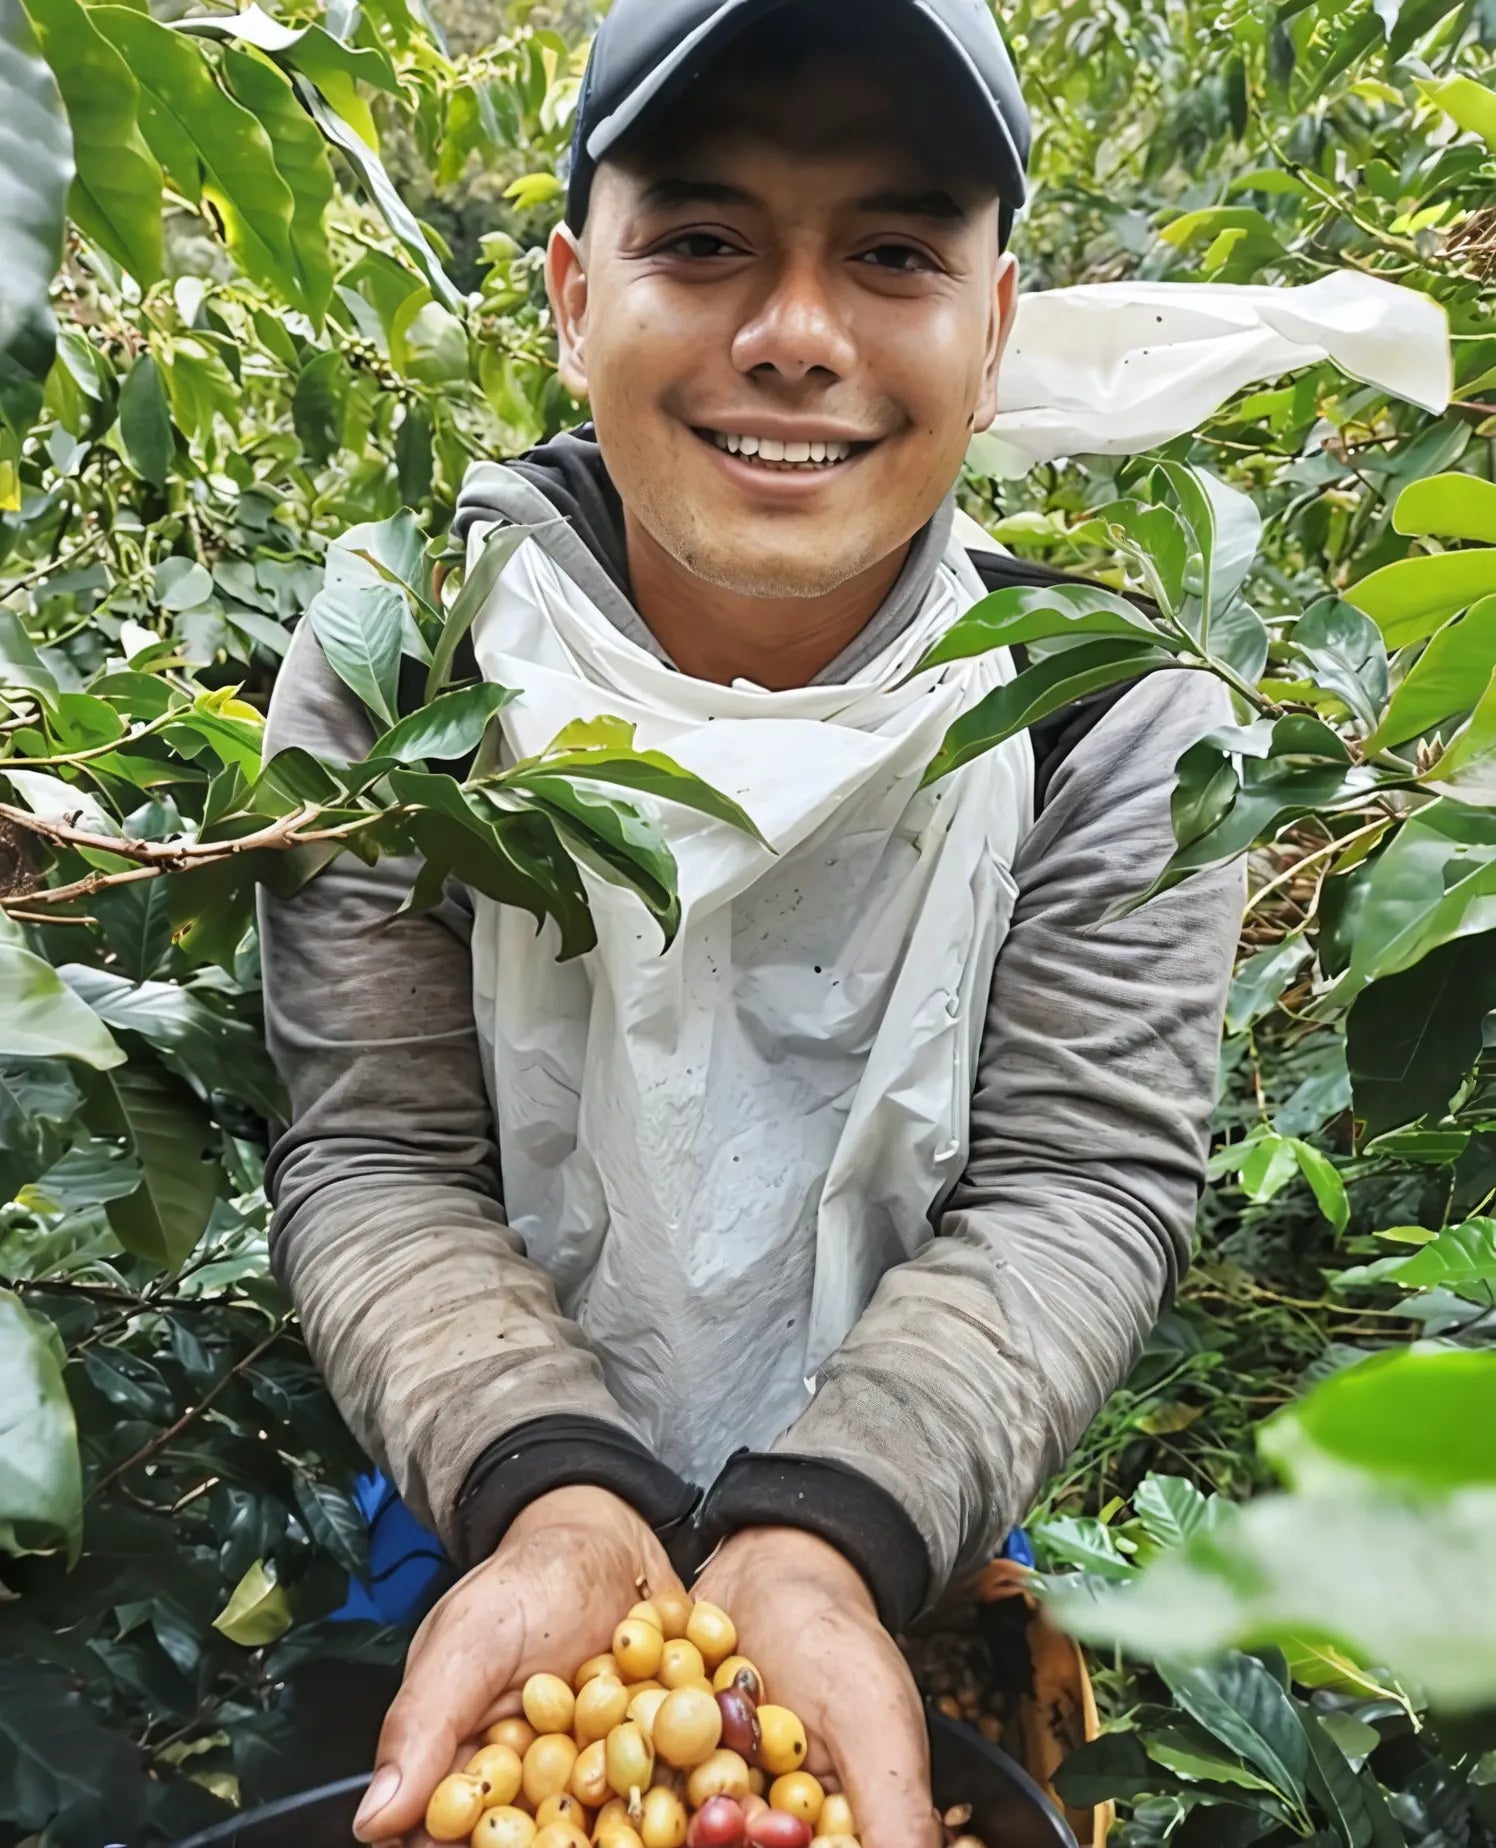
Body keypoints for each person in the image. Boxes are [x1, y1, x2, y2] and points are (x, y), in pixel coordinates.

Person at [258, 2, 1243, 1843]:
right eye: (701, 244)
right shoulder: (409, 664)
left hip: (913, 1499)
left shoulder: (1113, 719)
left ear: (995, 324)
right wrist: (553, 1493)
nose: (794, 339)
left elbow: (1078, 1185)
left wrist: (829, 1528)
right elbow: (380, 1149)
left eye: (892, 253)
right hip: (478, 1483)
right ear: (570, 297)